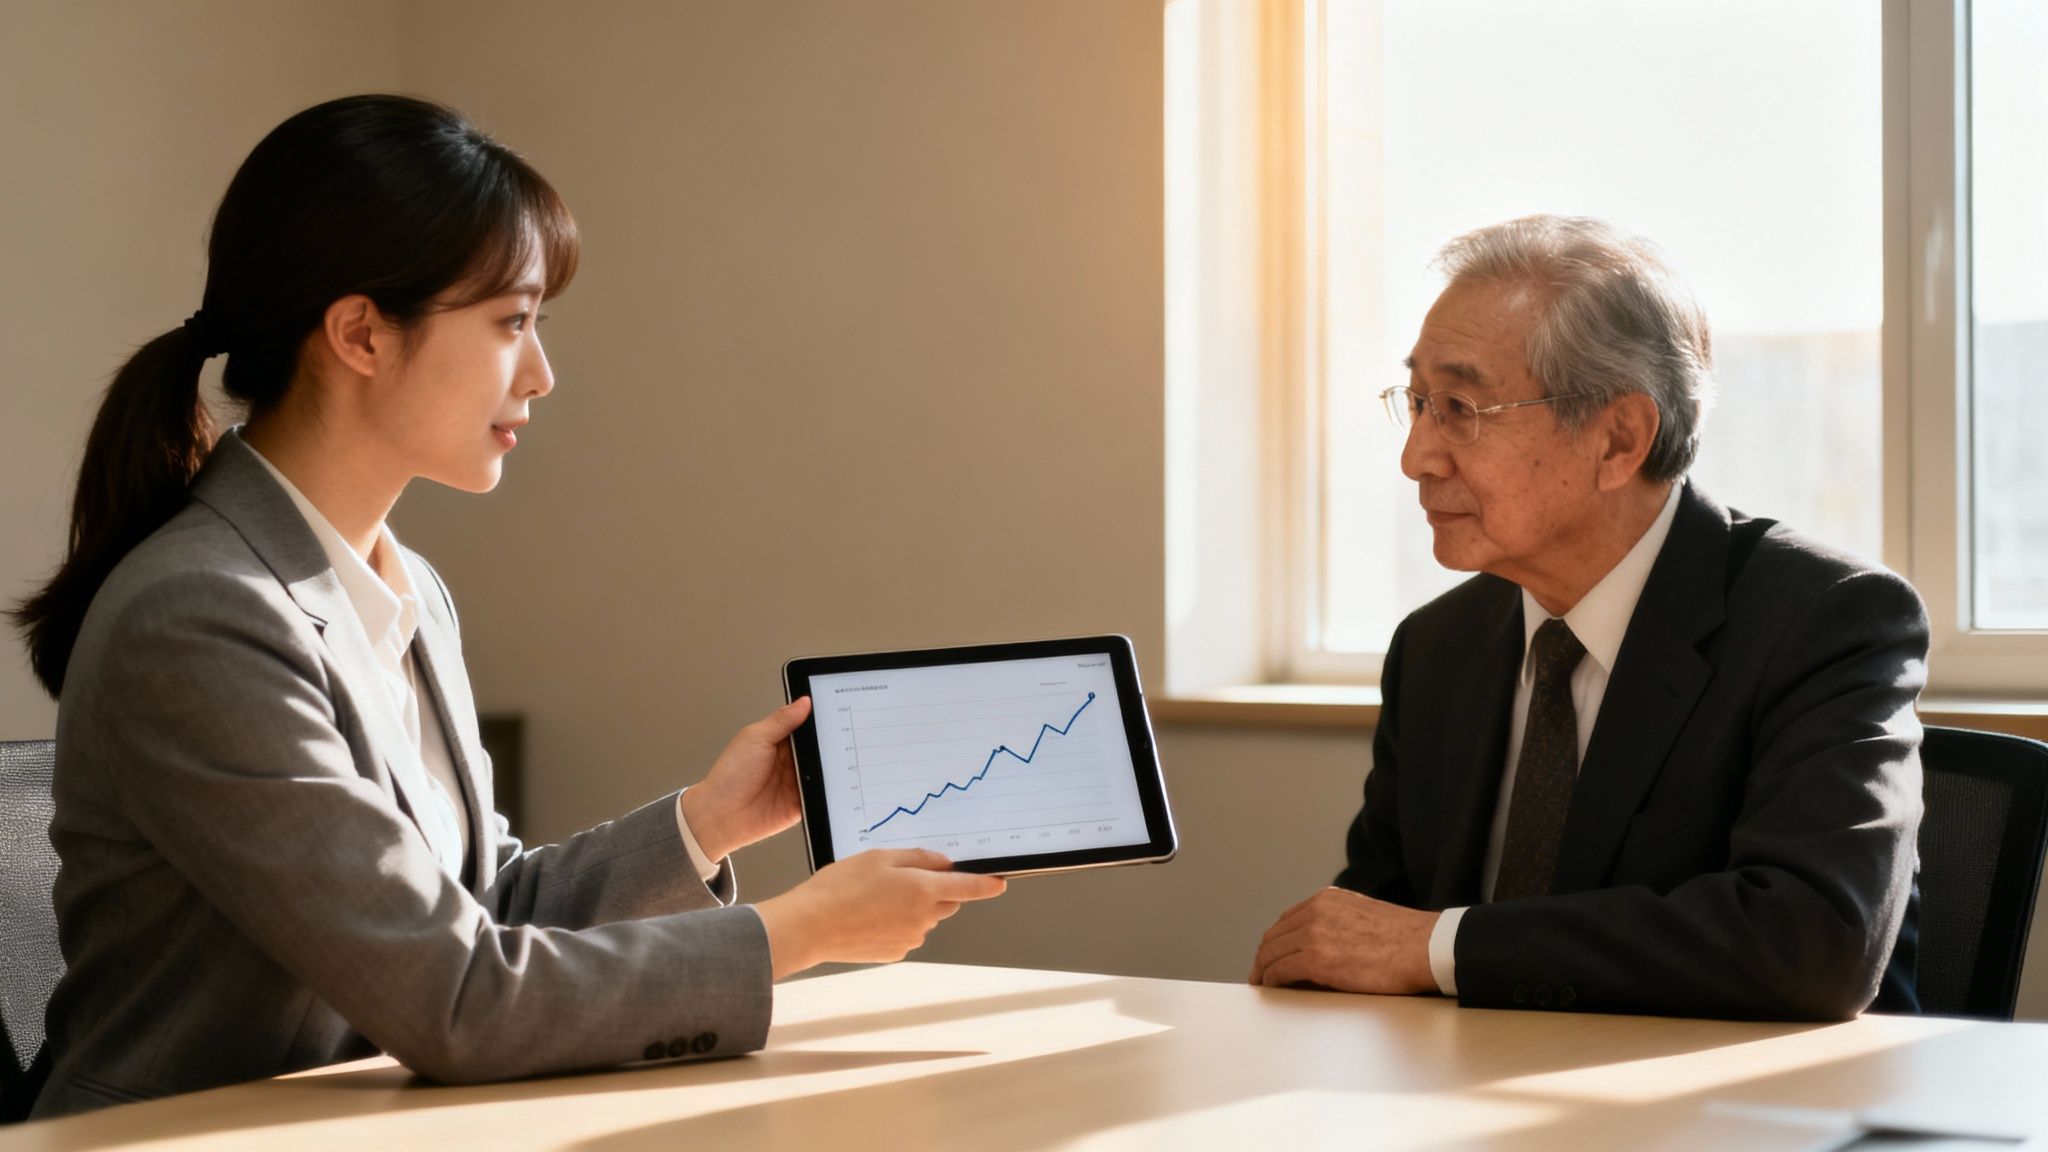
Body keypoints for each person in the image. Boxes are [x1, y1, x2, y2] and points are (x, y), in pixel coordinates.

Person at [11, 94, 1004, 1118]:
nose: (541, 372)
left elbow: (479, 915)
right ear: (359, 334)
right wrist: (800, 933)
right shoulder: (198, 616)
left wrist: (709, 823)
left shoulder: (405, 588)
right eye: (511, 322)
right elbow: (458, 998)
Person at [1248, 215, 1924, 1021]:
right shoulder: (1436, 649)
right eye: (1420, 402)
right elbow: (1372, 933)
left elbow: (1812, 942)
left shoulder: (1826, 620)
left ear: (1619, 438)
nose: (1417, 457)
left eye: (1461, 406)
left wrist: (1443, 948)